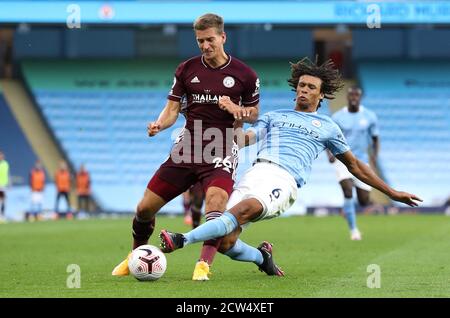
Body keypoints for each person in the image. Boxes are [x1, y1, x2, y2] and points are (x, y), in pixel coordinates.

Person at [159, 57, 422, 277]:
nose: (304, 90)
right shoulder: (274, 116)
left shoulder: (328, 127)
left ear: (321, 95)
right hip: (256, 172)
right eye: (301, 85)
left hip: (285, 180)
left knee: (243, 209)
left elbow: (354, 165)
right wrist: (236, 116)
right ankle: (262, 258)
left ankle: (181, 239)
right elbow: (241, 140)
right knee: (226, 241)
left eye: (310, 87)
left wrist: (391, 192)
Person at [112, 13, 260, 281]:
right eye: (200, 41)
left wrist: (236, 109)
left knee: (215, 204)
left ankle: (203, 265)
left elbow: (253, 114)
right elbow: (172, 110)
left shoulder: (245, 75)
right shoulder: (186, 69)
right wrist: (160, 124)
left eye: (210, 40)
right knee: (144, 208)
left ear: (223, 37)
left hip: (223, 147)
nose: (205, 45)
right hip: (187, 147)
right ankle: (134, 257)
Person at [328, 86, 380, 240]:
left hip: (362, 161)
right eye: (351, 94)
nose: (353, 97)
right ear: (347, 96)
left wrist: (374, 157)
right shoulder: (337, 117)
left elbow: (376, 139)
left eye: (356, 95)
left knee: (363, 201)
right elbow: (329, 137)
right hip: (342, 159)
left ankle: (347, 209)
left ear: (360, 97)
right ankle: (354, 231)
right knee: (348, 191)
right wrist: (330, 154)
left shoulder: (370, 116)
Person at [0, 151, 10, 221]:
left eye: (2, 155)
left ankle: (2, 215)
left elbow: (8, 174)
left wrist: (9, 183)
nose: (1, 157)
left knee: (4, 200)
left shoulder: (6, 164)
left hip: (4, 184)